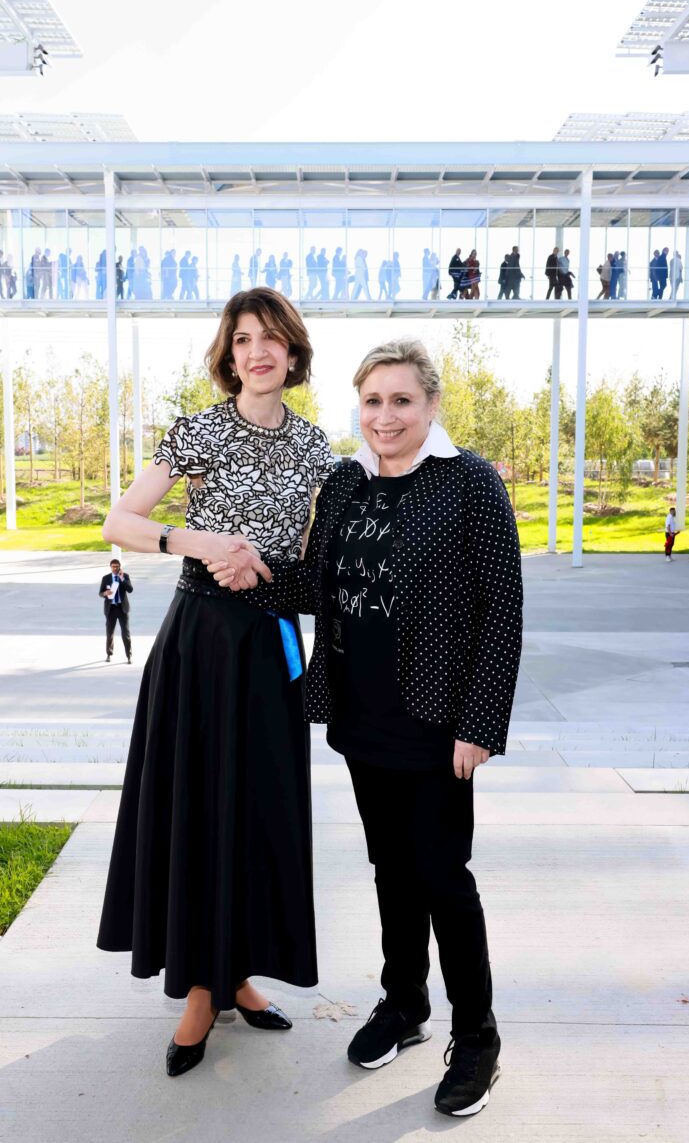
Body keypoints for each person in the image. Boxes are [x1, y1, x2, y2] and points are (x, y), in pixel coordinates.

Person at [210, 336, 523, 1118]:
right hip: (360, 714)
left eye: (401, 400)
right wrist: (234, 562)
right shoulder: (346, 482)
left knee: (445, 880)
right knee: (391, 868)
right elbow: (317, 580)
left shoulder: (470, 483)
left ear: (431, 404)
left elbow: (502, 611)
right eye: (373, 400)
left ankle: (477, 1038)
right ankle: (404, 1004)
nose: (384, 416)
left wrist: (479, 723)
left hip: (438, 722)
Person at [96, 287, 336, 1079]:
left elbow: (318, 563)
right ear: (227, 356)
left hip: (268, 645)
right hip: (198, 643)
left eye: (270, 339)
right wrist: (200, 540)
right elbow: (120, 522)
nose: (257, 352)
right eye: (242, 341)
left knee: (257, 809)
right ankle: (200, 990)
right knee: (200, 810)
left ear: (292, 354)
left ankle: (238, 972)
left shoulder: (315, 448)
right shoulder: (197, 430)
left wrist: (266, 566)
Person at [100, 558, 133, 663]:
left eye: (117, 566)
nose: (115, 568)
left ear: (120, 567)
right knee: (109, 633)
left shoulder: (125, 576)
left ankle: (129, 656)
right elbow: (100, 593)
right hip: (111, 609)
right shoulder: (106, 578)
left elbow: (130, 589)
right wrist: (105, 593)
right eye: (113, 566)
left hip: (122, 608)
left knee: (125, 633)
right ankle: (109, 654)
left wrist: (122, 579)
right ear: (110, 567)